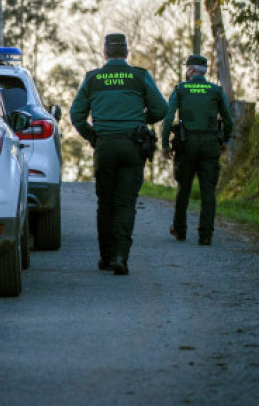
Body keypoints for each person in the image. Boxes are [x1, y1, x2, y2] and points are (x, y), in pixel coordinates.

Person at [70, 33, 168, 275]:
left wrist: (92, 136)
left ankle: (105, 257)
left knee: (106, 204)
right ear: (126, 53)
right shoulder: (140, 76)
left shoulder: (92, 78)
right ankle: (121, 257)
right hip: (132, 145)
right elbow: (162, 108)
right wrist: (139, 119)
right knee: (126, 203)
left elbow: (76, 115)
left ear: (105, 53)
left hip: (104, 145)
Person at [161, 54, 234, 245]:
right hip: (210, 144)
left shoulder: (180, 89)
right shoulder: (216, 90)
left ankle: (180, 230)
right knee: (208, 191)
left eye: (187, 68)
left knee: (183, 188)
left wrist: (164, 145)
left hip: (186, 145)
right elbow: (228, 120)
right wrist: (224, 141)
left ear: (191, 70)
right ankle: (206, 235)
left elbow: (168, 119)